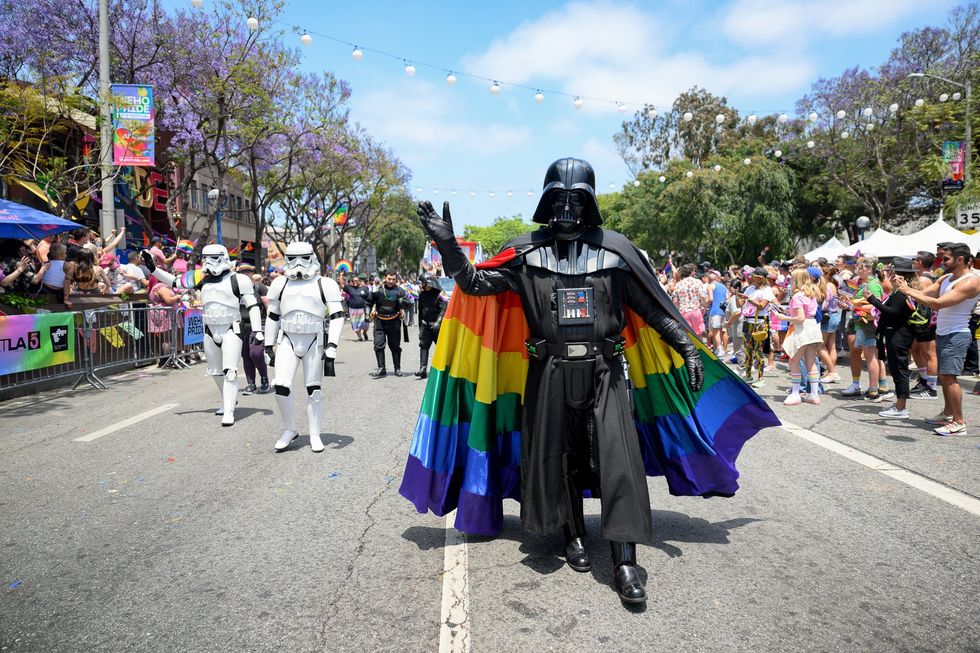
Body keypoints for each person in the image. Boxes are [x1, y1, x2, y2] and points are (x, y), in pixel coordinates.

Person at [401, 158, 778, 605]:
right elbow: (476, 284)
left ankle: (625, 561)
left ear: (589, 204)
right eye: (557, 198)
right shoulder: (526, 255)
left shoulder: (616, 254)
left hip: (605, 372)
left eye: (575, 198)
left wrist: (687, 346)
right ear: (545, 202)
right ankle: (573, 533)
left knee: (618, 460)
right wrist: (449, 248)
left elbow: (651, 308)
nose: (565, 208)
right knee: (558, 455)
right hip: (548, 372)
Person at [142, 245, 262, 426]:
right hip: (210, 329)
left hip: (231, 327)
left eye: (214, 257)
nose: (209, 262)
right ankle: (229, 400)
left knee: (230, 371)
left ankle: (229, 411)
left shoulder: (238, 279)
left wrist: (257, 330)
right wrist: (153, 269)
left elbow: (252, 305)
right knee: (215, 371)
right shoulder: (200, 278)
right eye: (206, 258)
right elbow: (175, 282)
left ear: (223, 257)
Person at [263, 242, 344, 453]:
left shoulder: (324, 284)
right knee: (280, 384)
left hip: (314, 339)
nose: (298, 264)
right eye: (292, 258)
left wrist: (332, 345)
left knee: (314, 388)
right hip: (287, 338)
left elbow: (337, 316)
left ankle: (315, 434)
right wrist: (268, 345)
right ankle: (290, 429)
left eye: (304, 258)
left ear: (312, 258)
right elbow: (272, 315)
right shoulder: (280, 284)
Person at [896, 243, 980, 435]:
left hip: (957, 333)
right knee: (944, 376)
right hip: (943, 331)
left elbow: (938, 304)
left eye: (946, 259)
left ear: (960, 259)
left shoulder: (971, 281)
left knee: (949, 378)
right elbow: (924, 294)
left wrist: (907, 291)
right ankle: (948, 414)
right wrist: (903, 286)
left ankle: (959, 422)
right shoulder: (946, 277)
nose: (941, 262)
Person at [855, 257, 918, 419]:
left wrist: (872, 300)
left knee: (899, 371)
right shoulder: (898, 292)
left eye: (892, 272)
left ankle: (901, 407)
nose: (889, 275)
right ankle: (899, 404)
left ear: (901, 275)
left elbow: (892, 312)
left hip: (899, 334)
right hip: (893, 333)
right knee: (897, 370)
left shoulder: (902, 293)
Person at [772, 268, 824, 405]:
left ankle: (796, 394)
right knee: (811, 362)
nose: (790, 282)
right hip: (813, 329)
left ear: (797, 281)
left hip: (802, 330)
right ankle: (813, 394)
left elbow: (800, 318)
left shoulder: (797, 296)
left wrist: (784, 316)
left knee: (794, 361)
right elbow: (807, 313)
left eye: (792, 280)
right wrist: (788, 311)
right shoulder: (812, 293)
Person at [735, 268, 775, 387]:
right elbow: (739, 304)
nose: (751, 278)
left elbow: (762, 306)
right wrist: (737, 295)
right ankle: (748, 375)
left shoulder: (767, 290)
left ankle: (761, 378)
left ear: (760, 278)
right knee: (747, 350)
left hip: (760, 323)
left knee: (759, 351)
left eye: (754, 276)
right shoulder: (749, 288)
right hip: (748, 321)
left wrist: (748, 298)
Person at [366, 271, 409, 377]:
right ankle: (381, 368)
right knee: (378, 345)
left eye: (393, 279)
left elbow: (408, 304)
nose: (391, 281)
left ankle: (397, 369)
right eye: (389, 279)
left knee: (395, 346)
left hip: (394, 322)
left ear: (396, 280)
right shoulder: (378, 290)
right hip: (379, 321)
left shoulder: (400, 291)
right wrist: (367, 314)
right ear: (385, 278)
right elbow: (368, 303)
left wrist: (403, 302)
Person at [237, 265, 271, 395]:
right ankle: (250, 383)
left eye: (248, 271)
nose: (245, 274)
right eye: (242, 272)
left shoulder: (258, 287)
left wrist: (270, 324)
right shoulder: (236, 289)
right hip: (241, 326)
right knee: (246, 355)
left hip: (259, 325)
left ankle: (264, 378)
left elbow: (268, 306)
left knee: (256, 353)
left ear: (252, 273)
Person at [414, 272, 448, 379]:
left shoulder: (440, 294)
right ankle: (423, 368)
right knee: (423, 346)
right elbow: (420, 311)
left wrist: (438, 322)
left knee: (442, 348)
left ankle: (445, 370)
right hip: (426, 326)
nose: (421, 285)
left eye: (422, 282)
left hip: (438, 326)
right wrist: (420, 327)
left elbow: (444, 308)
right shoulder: (422, 294)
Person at [818, 263, 841, 383]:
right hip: (834, 315)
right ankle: (831, 371)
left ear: (827, 274)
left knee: (820, 346)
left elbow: (825, 304)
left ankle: (832, 372)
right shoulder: (832, 285)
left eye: (822, 272)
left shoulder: (828, 286)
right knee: (831, 346)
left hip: (828, 316)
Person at [672, 264, 708, 336]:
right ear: (691, 272)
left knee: (687, 335)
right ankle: (698, 347)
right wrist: (704, 306)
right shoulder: (697, 282)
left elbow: (675, 301)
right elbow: (703, 296)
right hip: (696, 310)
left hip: (684, 312)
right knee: (698, 335)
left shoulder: (678, 284)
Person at [706, 271, 729, 356]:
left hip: (714, 311)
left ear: (709, 279)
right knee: (720, 330)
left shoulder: (710, 286)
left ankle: (719, 349)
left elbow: (711, 299)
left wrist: (706, 305)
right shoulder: (723, 286)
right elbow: (727, 298)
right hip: (722, 311)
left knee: (715, 332)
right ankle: (717, 349)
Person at [343, 274, 371, 341]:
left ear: (359, 281)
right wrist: (341, 275)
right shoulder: (350, 288)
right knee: (355, 324)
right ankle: (360, 337)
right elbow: (342, 285)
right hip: (353, 309)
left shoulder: (364, 288)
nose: (354, 282)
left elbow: (369, 298)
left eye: (356, 280)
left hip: (363, 309)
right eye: (353, 281)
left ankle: (364, 332)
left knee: (365, 323)